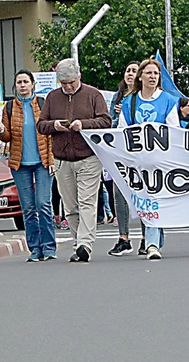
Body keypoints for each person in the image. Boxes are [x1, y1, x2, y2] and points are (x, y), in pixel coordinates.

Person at [37, 58, 111, 263]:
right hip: (61, 159)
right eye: (63, 83)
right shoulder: (52, 98)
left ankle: (85, 244)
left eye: (71, 82)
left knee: (87, 201)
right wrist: (55, 125)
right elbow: (41, 125)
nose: (68, 86)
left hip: (89, 157)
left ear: (79, 77)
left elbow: (106, 120)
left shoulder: (93, 95)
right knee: (70, 206)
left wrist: (84, 124)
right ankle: (77, 241)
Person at [118, 58, 180, 260]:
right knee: (145, 201)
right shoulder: (129, 102)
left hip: (160, 161)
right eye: (149, 73)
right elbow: (122, 131)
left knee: (154, 199)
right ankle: (153, 240)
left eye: (156, 73)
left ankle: (152, 243)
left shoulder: (169, 100)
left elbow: (174, 130)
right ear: (141, 77)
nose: (153, 77)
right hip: (138, 161)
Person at [0, 69, 55, 262]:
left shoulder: (43, 104)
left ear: (32, 84)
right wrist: (2, 130)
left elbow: (51, 135)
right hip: (20, 163)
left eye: (25, 82)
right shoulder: (10, 107)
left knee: (43, 204)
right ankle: (35, 248)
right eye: (19, 82)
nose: (22, 85)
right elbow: (6, 137)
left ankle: (49, 247)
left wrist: (53, 160)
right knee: (28, 208)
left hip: (43, 162)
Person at [106, 61, 139, 256]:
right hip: (120, 153)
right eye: (128, 70)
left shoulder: (142, 98)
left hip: (139, 153)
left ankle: (147, 237)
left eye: (134, 71)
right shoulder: (117, 98)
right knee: (119, 194)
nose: (130, 74)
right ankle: (123, 237)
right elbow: (111, 124)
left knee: (143, 192)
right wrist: (118, 116)